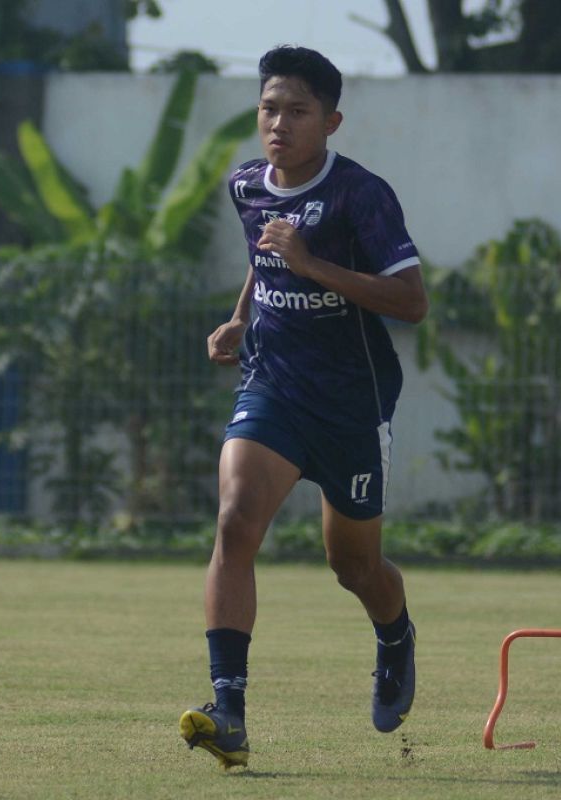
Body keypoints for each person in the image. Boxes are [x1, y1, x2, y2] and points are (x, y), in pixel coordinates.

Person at [179, 45, 428, 770]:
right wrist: (238, 317)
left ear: (331, 120)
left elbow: (412, 302)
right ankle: (229, 710)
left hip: (353, 400)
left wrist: (314, 264)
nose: (278, 123)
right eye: (268, 108)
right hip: (274, 385)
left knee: (354, 567)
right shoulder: (245, 185)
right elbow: (264, 260)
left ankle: (394, 635)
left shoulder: (361, 196)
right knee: (234, 520)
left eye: (296, 110)